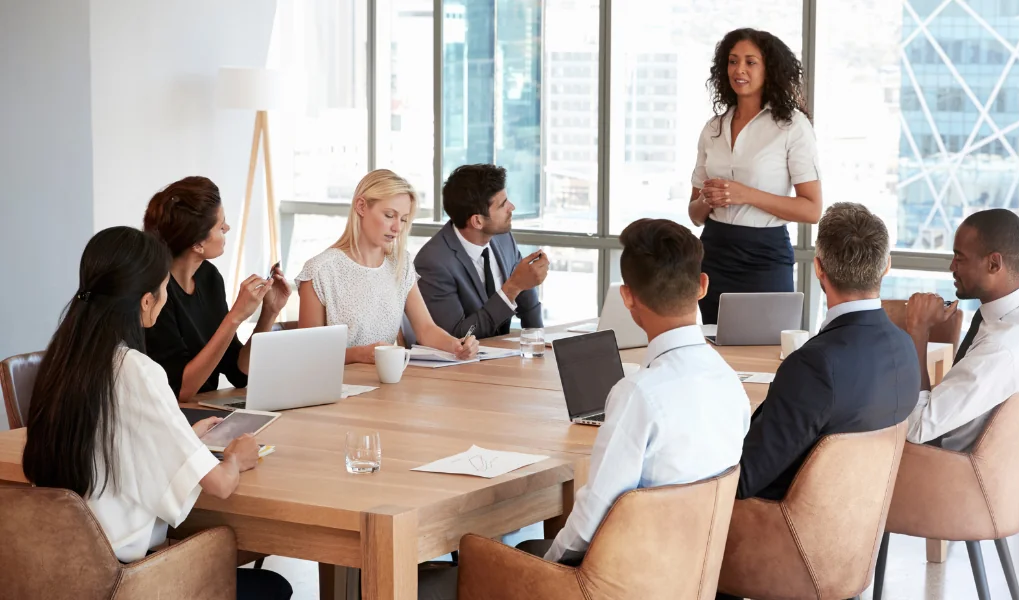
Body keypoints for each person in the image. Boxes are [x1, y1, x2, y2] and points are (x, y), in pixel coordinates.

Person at [21, 227, 292, 600]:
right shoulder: (136, 369)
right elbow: (220, 485)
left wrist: (184, 441)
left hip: (58, 569)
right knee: (274, 587)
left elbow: (112, 444)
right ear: (146, 302)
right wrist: (234, 458)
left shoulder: (63, 360)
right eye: (164, 289)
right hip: (127, 580)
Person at [517, 218, 751, 564]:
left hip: (625, 580)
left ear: (627, 297)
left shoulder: (639, 394)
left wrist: (543, 570)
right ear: (702, 286)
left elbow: (589, 523)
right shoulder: (730, 382)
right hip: (689, 574)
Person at [732, 203, 920, 502]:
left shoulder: (813, 365)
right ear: (886, 266)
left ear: (818, 268)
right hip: (857, 524)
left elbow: (744, 481)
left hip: (779, 525)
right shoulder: (905, 346)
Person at [689, 27, 823, 324]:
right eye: (733, 61)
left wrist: (744, 194)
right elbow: (695, 214)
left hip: (765, 256)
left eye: (751, 62)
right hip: (714, 254)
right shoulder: (713, 128)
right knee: (716, 346)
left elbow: (812, 209)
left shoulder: (792, 126)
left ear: (769, 69)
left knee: (766, 350)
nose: (739, 69)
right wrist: (708, 200)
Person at [903, 209, 1019, 451]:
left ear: (994, 263)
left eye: (960, 258)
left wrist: (918, 331)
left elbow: (917, 428)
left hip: (939, 464)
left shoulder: (999, 350)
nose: (951, 267)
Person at [296, 169, 479, 364]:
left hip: (389, 382)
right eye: (389, 215)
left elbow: (426, 329)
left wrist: (456, 346)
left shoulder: (401, 264)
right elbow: (309, 354)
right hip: (340, 387)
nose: (397, 228)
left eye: (403, 219)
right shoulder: (320, 271)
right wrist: (358, 355)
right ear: (361, 206)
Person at [143, 176, 291, 401]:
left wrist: (269, 312)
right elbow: (180, 390)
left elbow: (239, 372)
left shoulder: (208, 277)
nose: (227, 228)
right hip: (176, 417)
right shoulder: (157, 294)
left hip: (206, 411)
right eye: (220, 226)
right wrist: (234, 318)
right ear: (197, 244)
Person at [414, 164, 547, 338]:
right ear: (477, 221)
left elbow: (525, 293)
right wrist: (512, 287)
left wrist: (540, 342)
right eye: (503, 205)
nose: (512, 207)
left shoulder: (502, 237)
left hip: (504, 358)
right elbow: (457, 337)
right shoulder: (433, 262)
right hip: (462, 363)